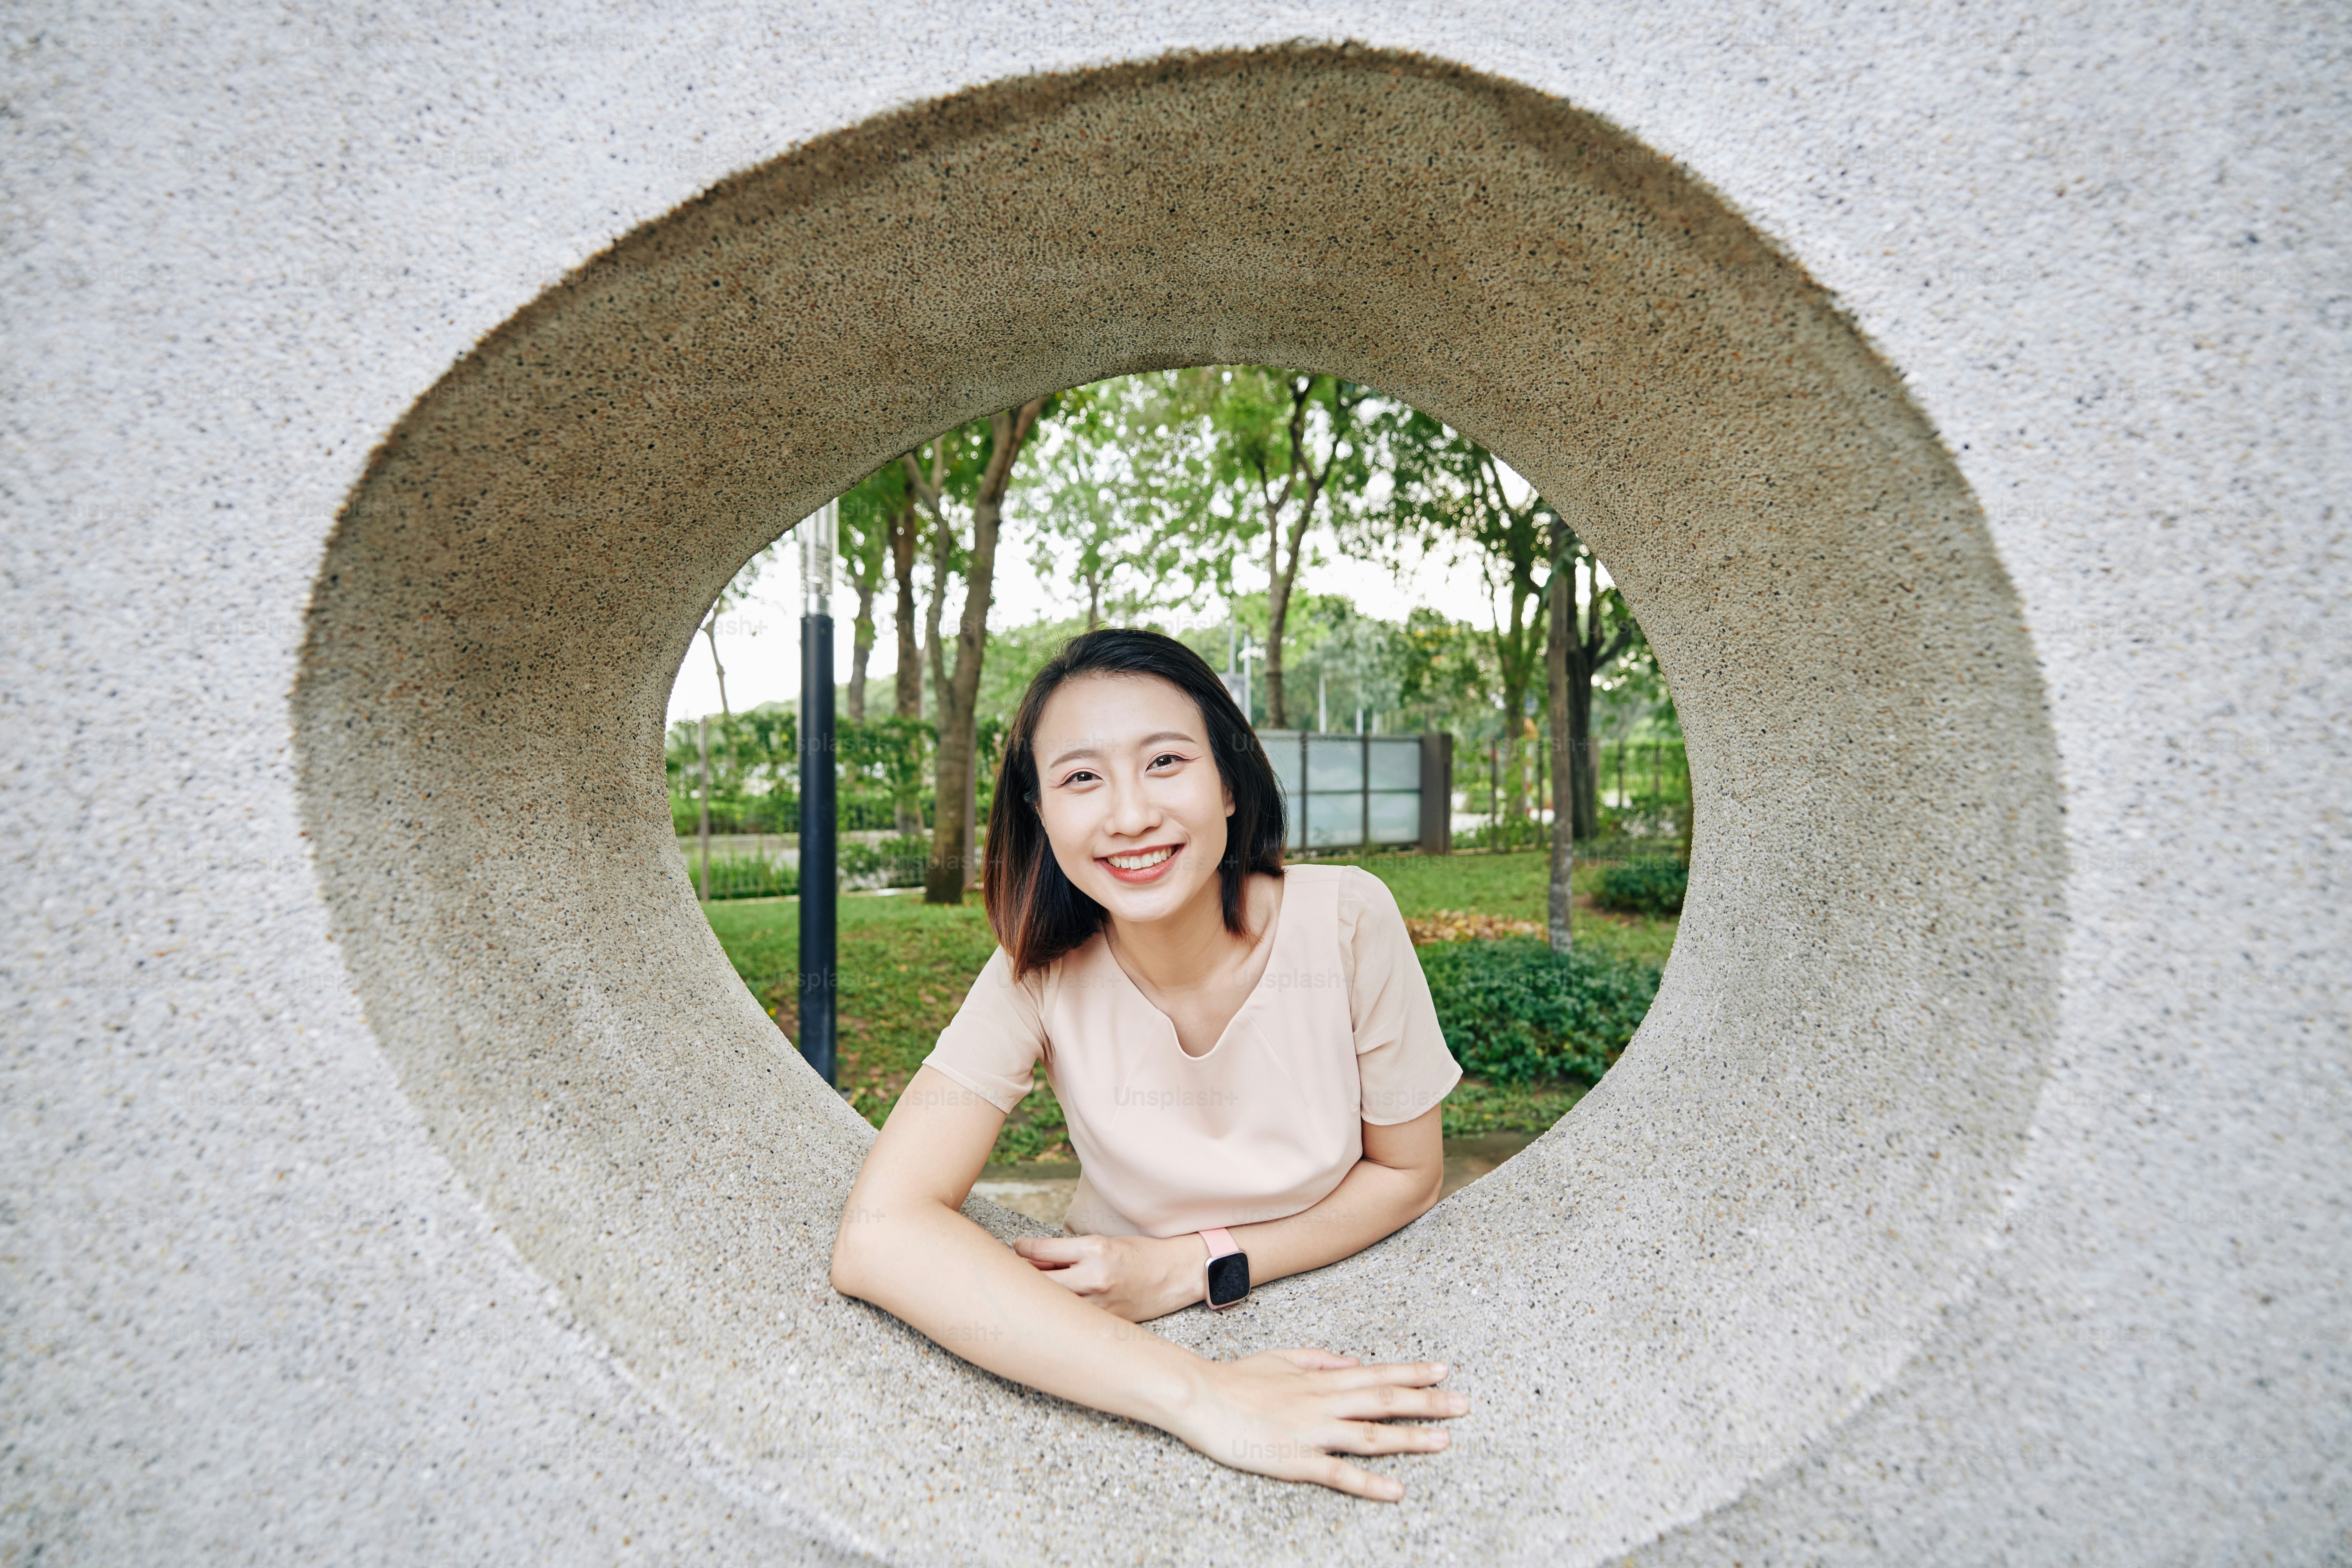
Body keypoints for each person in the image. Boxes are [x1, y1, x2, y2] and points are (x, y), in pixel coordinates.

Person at [830, 628, 1468, 1500]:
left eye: (1166, 761)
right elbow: (881, 1235)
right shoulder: (1034, 972)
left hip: (1333, 1290)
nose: (1128, 814)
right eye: (1082, 778)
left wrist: (1189, 1265)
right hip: (1117, 1340)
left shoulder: (1348, 920)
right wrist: (1201, 1393)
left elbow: (1408, 1173)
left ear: (1232, 782)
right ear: (1042, 814)